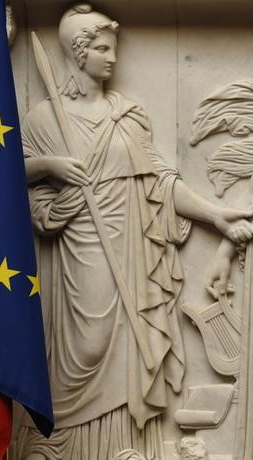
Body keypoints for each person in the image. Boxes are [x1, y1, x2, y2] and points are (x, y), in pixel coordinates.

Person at [15, 4, 253, 460]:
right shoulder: (46, 119)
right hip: (80, 245)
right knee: (86, 346)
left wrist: (215, 215)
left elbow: (161, 180)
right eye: (102, 49)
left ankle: (124, 447)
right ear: (77, 53)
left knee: (133, 347)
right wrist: (50, 167)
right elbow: (9, 178)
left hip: (133, 244)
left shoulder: (129, 114)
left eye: (114, 49)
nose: (111, 59)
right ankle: (62, 446)